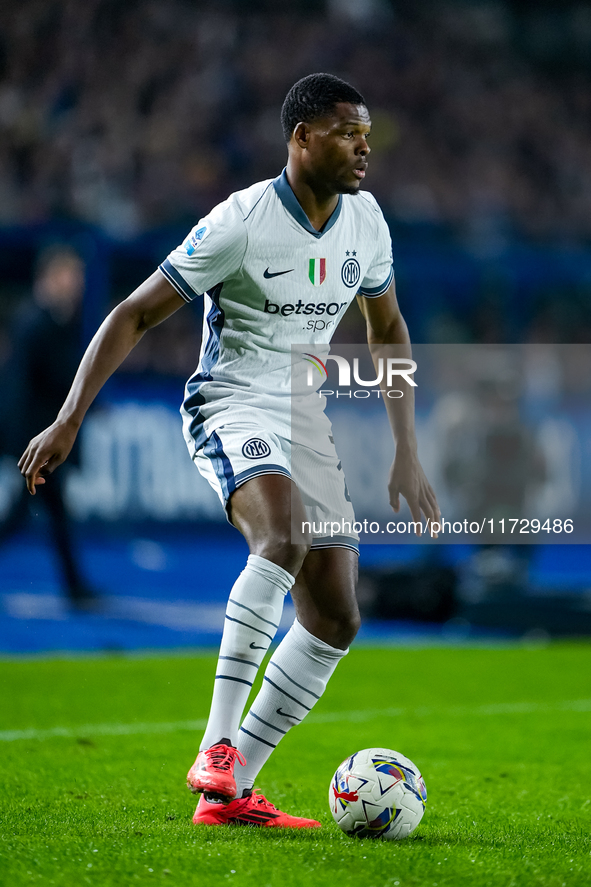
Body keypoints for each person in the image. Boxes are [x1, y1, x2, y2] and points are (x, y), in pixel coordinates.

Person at [19, 74, 439, 827]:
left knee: (336, 615)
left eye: (367, 133)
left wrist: (405, 449)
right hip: (231, 401)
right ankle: (214, 745)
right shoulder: (240, 221)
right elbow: (134, 312)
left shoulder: (366, 222)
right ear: (302, 138)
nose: (364, 147)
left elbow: (388, 327)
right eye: (347, 132)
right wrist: (69, 417)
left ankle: (233, 788)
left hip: (303, 416)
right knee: (282, 535)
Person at [2, 245, 97, 608]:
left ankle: (75, 587)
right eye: (70, 275)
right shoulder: (39, 323)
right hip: (35, 436)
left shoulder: (47, 320)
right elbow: (55, 378)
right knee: (28, 513)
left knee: (40, 512)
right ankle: (75, 588)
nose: (76, 283)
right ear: (50, 277)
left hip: (38, 436)